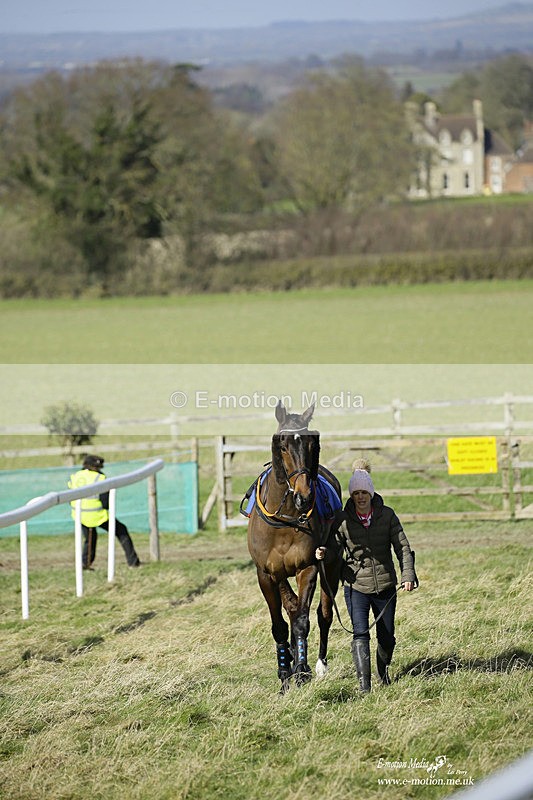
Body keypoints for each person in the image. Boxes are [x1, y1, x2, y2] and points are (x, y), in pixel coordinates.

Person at [316, 459, 416, 693]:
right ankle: (364, 687)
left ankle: (383, 671)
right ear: (352, 495)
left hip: (386, 586)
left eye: (364, 492)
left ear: (371, 493)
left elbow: (402, 547)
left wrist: (408, 574)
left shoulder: (387, 516)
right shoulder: (342, 520)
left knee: (387, 638)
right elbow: (334, 548)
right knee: (360, 633)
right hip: (356, 587)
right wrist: (324, 552)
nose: (360, 497)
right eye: (356, 493)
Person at [68, 454, 141, 569]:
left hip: (79, 514)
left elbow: (69, 496)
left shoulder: (75, 476)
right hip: (97, 514)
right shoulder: (100, 478)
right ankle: (133, 563)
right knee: (121, 531)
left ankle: (85, 564)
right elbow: (105, 502)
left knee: (90, 539)